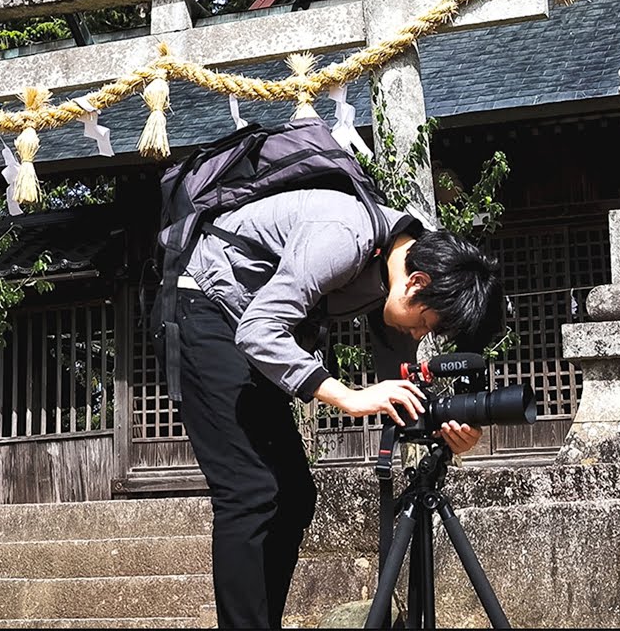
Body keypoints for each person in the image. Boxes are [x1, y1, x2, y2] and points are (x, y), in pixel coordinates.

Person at [169, 187, 504, 629]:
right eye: (425, 324)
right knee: (249, 491)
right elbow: (258, 332)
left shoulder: (402, 265)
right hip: (205, 304)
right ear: (416, 283)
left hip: (247, 322)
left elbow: (404, 385)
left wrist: (449, 432)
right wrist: (347, 396)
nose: (421, 336)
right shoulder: (344, 236)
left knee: (294, 495)